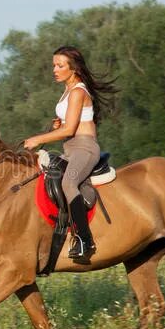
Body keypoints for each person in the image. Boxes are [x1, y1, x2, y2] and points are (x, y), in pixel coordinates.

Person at [23, 46, 116, 261]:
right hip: (70, 149)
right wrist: (58, 125)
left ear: (73, 68)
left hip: (84, 148)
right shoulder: (67, 91)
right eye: (54, 65)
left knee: (68, 183)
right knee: (47, 174)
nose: (54, 69)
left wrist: (38, 138)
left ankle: (85, 240)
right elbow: (68, 125)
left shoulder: (77, 92)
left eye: (60, 65)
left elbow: (70, 130)